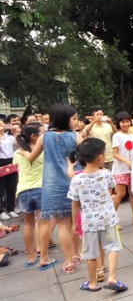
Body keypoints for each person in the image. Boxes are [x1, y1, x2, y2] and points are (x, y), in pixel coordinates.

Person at [21, 104, 83, 273]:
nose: (76, 121)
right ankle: (77, 254)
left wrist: (22, 149)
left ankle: (68, 261)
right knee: (75, 221)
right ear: (65, 119)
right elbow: (86, 153)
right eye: (74, 118)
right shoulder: (75, 136)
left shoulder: (44, 137)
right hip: (73, 181)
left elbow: (31, 157)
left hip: (52, 185)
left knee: (63, 224)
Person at [67, 138, 128, 292]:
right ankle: (112, 277)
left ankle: (93, 283)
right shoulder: (106, 174)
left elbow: (74, 203)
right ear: (100, 157)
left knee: (90, 253)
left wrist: (75, 223)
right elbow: (112, 189)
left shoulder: (76, 179)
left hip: (89, 222)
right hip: (108, 219)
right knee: (112, 247)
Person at [13, 122, 44, 267]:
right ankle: (43, 254)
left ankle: (31, 257)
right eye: (42, 133)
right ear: (33, 136)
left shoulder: (18, 152)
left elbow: (17, 167)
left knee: (28, 224)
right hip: (40, 188)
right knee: (41, 222)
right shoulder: (42, 151)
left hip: (23, 190)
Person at [111, 112, 133, 224]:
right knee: (120, 194)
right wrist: (126, 161)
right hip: (120, 169)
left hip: (132, 169)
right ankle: (111, 220)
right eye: (122, 122)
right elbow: (115, 154)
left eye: (127, 121)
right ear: (118, 123)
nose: (125, 124)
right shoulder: (117, 136)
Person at [0, 119, 19, 220]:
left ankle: (10, 208)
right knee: (1, 187)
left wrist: (16, 134)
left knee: (12, 187)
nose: (2, 126)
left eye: (3, 124)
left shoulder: (10, 137)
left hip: (11, 161)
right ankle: (1, 211)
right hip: (1, 161)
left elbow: (17, 145)